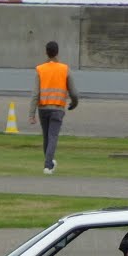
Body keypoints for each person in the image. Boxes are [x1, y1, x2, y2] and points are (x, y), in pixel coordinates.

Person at [28, 40, 80, 175]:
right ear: (57, 53)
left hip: (43, 108)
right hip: (58, 108)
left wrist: (31, 114)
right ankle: (47, 166)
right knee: (53, 137)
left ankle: (49, 162)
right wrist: (74, 103)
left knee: (46, 137)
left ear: (46, 52)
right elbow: (73, 92)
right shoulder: (64, 69)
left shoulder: (40, 69)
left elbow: (35, 94)